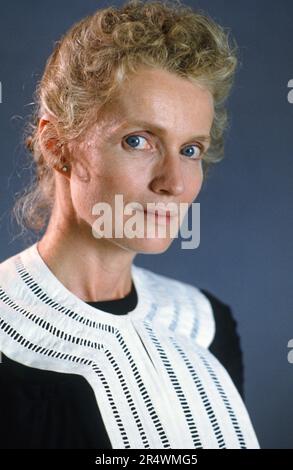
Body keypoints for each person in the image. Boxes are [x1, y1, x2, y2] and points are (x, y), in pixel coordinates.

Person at [0, 0, 260, 449]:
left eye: (191, 150)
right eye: (138, 141)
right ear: (57, 146)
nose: (174, 183)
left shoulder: (209, 324)